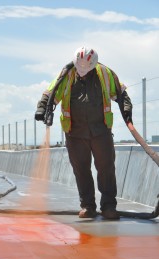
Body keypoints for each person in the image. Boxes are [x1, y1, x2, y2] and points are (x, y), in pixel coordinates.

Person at [35, 46, 133, 220]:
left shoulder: (104, 73)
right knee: (81, 170)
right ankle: (88, 206)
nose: (81, 71)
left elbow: (120, 92)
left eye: (85, 69)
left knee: (106, 169)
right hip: (75, 132)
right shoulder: (66, 75)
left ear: (93, 65)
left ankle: (109, 206)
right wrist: (42, 108)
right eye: (79, 67)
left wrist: (126, 107)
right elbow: (50, 93)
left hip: (100, 131)